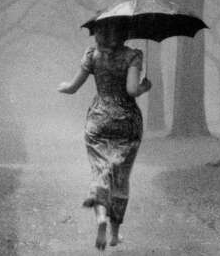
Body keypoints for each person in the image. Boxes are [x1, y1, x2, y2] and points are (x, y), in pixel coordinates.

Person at [58, 19, 152, 250]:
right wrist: (144, 87)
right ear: (124, 33)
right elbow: (132, 90)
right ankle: (115, 234)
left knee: (100, 170)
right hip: (127, 121)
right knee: (120, 177)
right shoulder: (133, 56)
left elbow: (71, 88)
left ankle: (100, 215)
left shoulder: (92, 55)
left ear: (98, 32)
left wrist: (62, 86)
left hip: (98, 120)